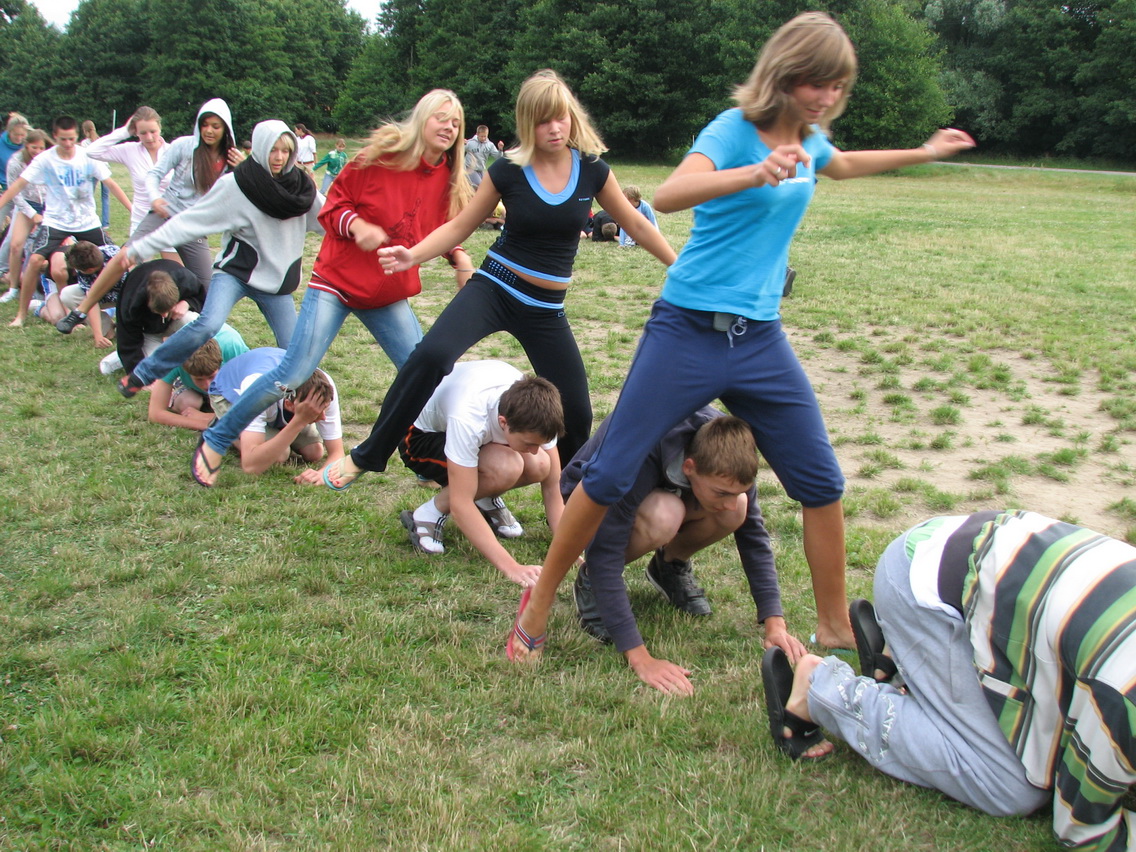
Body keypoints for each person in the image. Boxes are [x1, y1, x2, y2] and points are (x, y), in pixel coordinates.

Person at [507, 13, 976, 665]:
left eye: (838, 87)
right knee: (609, 473)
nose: (827, 97)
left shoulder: (809, 139)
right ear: (785, 75)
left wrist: (924, 152)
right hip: (686, 329)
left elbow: (841, 164)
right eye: (817, 83)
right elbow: (672, 194)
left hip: (759, 340)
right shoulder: (733, 131)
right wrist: (754, 173)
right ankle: (538, 604)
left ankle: (834, 625)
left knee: (822, 481)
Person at [322, 69, 676, 492]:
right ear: (528, 123)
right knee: (431, 356)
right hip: (496, 288)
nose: (555, 128)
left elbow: (636, 224)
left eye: (561, 117)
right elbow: (461, 226)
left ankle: (571, 499)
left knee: (576, 413)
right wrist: (412, 255)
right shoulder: (508, 169)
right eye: (543, 120)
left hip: (545, 309)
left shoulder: (592, 169)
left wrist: (678, 266)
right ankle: (368, 454)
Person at [765, 510, 1136, 851]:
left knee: (1049, 740)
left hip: (968, 550)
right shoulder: (1123, 699)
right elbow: (1085, 829)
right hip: (923, 586)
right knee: (1009, 784)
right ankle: (822, 688)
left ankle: (899, 660)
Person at [188, 90, 473, 487]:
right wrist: (358, 227)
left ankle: (433, 462)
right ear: (421, 119)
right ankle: (216, 439)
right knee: (294, 373)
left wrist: (456, 254)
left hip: (386, 291)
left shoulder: (447, 174)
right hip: (336, 283)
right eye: (442, 118)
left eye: (456, 123)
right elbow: (333, 207)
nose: (449, 127)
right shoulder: (378, 159)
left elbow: (440, 228)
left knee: (426, 374)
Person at [552, 407, 805, 694]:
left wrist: (775, 623)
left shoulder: (732, 452)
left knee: (738, 511)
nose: (729, 500)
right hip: (592, 499)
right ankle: (591, 582)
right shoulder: (644, 450)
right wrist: (641, 658)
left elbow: (754, 536)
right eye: (722, 492)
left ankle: (669, 567)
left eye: (735, 491)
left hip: (664, 488)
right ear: (689, 467)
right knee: (665, 515)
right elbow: (605, 552)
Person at [114, 120, 322, 400]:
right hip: (236, 274)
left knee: (295, 350)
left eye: (285, 151)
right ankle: (143, 373)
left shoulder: (302, 190)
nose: (279, 157)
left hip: (276, 282)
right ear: (260, 148)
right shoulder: (238, 185)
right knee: (208, 324)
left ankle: (293, 407)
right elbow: (189, 221)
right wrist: (141, 247)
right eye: (273, 150)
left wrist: (372, 236)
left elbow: (333, 220)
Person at [54, 99, 242, 333]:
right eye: (205, 125)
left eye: (216, 126)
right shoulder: (184, 146)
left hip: (192, 224)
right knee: (125, 256)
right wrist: (155, 198)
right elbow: (155, 174)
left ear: (226, 128)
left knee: (206, 284)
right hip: (164, 212)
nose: (209, 131)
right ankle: (81, 310)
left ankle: (181, 327)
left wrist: (243, 168)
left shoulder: (231, 158)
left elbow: (245, 192)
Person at [396, 360, 564, 587]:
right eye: (529, 443)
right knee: (505, 467)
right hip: (419, 439)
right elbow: (461, 504)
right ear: (503, 422)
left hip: (477, 435)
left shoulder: (539, 413)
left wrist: (568, 549)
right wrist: (512, 567)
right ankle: (428, 513)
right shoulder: (469, 416)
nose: (535, 449)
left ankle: (485, 495)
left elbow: (553, 485)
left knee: (541, 464)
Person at [0, 115, 131, 328]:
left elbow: (111, 184)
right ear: (55, 137)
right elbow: (18, 185)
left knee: (117, 259)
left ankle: (122, 309)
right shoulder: (45, 159)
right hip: (56, 221)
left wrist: (132, 209)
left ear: (77, 136)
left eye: (71, 139)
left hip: (87, 221)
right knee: (35, 260)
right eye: (63, 139)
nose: (68, 144)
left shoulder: (87, 156)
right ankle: (21, 315)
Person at [202, 348, 343, 487]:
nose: (323, 417)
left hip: (274, 399)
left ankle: (271, 425)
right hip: (228, 394)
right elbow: (251, 466)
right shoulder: (259, 392)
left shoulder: (323, 387)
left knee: (314, 452)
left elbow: (337, 453)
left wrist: (323, 474)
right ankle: (226, 427)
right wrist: (299, 422)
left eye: (324, 409)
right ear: (289, 405)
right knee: (280, 455)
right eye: (314, 412)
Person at [82, 107, 173, 253]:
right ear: (135, 132)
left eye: (153, 131)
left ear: (160, 128)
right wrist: (124, 132)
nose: (149, 137)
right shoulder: (130, 151)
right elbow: (92, 151)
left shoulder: (173, 150)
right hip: (141, 220)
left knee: (176, 265)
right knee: (133, 265)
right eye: (143, 133)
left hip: (170, 219)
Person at [111, 259, 205, 376]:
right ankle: (116, 360)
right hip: (147, 334)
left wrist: (188, 303)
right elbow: (127, 339)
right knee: (156, 373)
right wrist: (137, 373)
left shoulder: (184, 278)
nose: (164, 315)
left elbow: (204, 300)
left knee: (193, 320)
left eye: (168, 310)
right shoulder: (131, 301)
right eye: (159, 311)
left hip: (175, 321)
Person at [146, 328, 248, 431]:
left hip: (231, 384)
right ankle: (174, 389)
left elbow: (252, 398)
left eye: (211, 376)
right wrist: (209, 425)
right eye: (199, 379)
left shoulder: (232, 346)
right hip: (189, 387)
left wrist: (211, 418)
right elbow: (155, 414)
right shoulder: (171, 356)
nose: (207, 385)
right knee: (188, 402)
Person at [0, 128, 48, 304]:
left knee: (44, 247)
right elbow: (15, 192)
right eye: (34, 147)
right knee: (15, 244)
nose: (37, 151)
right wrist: (32, 214)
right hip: (27, 204)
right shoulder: (16, 162)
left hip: (49, 205)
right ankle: (13, 288)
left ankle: (44, 287)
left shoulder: (49, 159)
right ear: (26, 145)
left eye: (41, 147)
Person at [37, 241, 123, 334]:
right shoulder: (84, 271)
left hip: (125, 292)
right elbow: (91, 300)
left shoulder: (117, 254)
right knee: (67, 295)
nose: (76, 272)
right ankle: (107, 328)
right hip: (107, 294)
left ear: (90, 270)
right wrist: (98, 334)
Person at [0, 113, 30, 295]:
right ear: (8, 132)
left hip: (22, 194)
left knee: (13, 237)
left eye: (22, 135)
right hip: (4, 190)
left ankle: (3, 269)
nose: (19, 138)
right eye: (16, 135)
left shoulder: (29, 146)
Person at [79, 120, 111, 229]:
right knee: (105, 197)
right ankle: (105, 223)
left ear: (84, 131)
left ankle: (88, 219)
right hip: (105, 170)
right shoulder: (101, 141)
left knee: (89, 196)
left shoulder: (85, 143)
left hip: (93, 171)